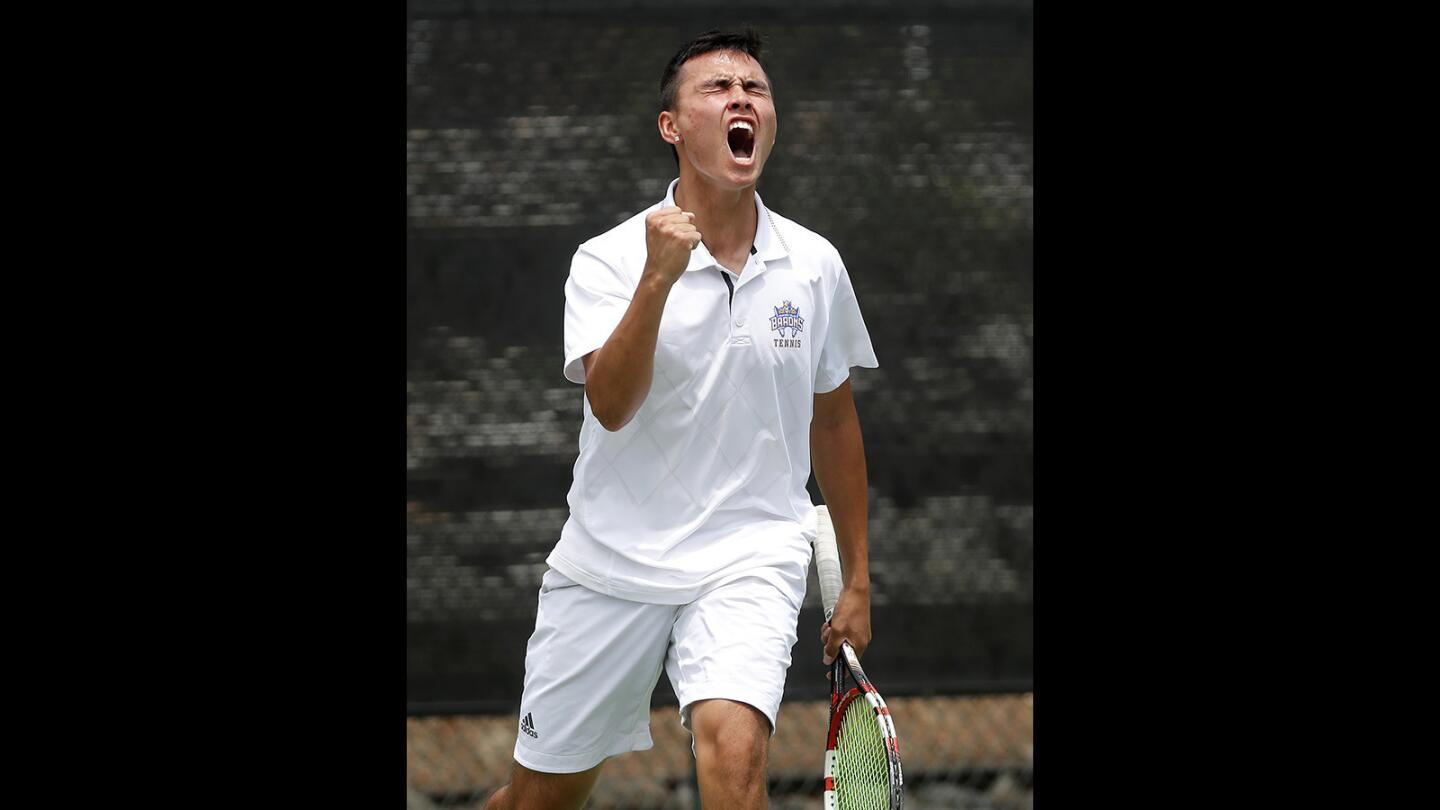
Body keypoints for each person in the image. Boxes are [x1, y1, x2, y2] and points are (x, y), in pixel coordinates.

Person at [483, 29, 878, 810]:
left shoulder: (815, 264)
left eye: (755, 89)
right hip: (609, 564)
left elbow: (832, 421)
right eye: (717, 88)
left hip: (750, 551)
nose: (741, 98)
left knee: (735, 758)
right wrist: (658, 280)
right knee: (541, 802)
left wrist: (859, 578)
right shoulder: (606, 259)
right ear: (672, 127)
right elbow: (612, 404)